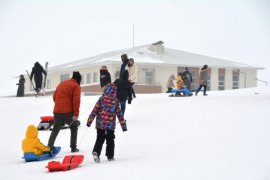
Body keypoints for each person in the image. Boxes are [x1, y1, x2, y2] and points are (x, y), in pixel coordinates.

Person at [87, 83, 127, 162]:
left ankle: (96, 152)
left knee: (100, 138)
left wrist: (89, 121)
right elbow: (120, 114)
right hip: (110, 125)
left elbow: (95, 110)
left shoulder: (101, 99)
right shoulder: (115, 101)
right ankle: (110, 156)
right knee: (110, 139)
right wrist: (123, 126)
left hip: (100, 124)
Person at [48, 71, 82, 153]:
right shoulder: (76, 86)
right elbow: (76, 102)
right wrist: (75, 114)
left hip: (57, 111)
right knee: (74, 127)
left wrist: (59, 105)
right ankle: (73, 147)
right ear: (78, 80)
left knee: (55, 129)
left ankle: (49, 146)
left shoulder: (62, 84)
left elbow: (54, 97)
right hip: (68, 113)